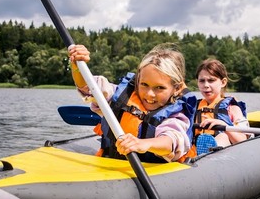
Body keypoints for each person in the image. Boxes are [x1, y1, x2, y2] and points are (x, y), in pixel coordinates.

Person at [68, 43, 197, 163]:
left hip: (151, 171)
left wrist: (143, 144)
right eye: (144, 84)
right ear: (137, 80)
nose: (149, 94)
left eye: (159, 88)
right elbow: (88, 86)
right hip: (109, 164)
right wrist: (77, 65)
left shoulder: (176, 115)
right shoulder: (120, 95)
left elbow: (171, 140)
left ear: (177, 88)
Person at [194, 58, 250, 150]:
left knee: (222, 137)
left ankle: (210, 150)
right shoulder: (193, 108)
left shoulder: (233, 108)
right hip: (195, 154)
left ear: (223, 82)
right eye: (202, 81)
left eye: (211, 80)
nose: (206, 85)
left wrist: (224, 126)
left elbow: (243, 140)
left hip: (224, 152)